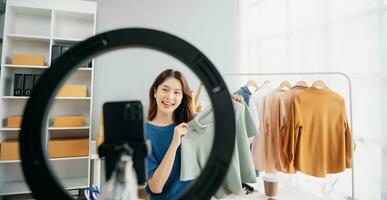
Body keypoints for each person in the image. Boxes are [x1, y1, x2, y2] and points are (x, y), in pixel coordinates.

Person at [145, 69, 194, 200]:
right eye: (165, 89)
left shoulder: (191, 125)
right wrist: (174, 143)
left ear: (182, 97)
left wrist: (230, 103)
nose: (170, 97)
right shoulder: (143, 134)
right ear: (155, 91)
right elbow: (155, 186)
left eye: (177, 92)